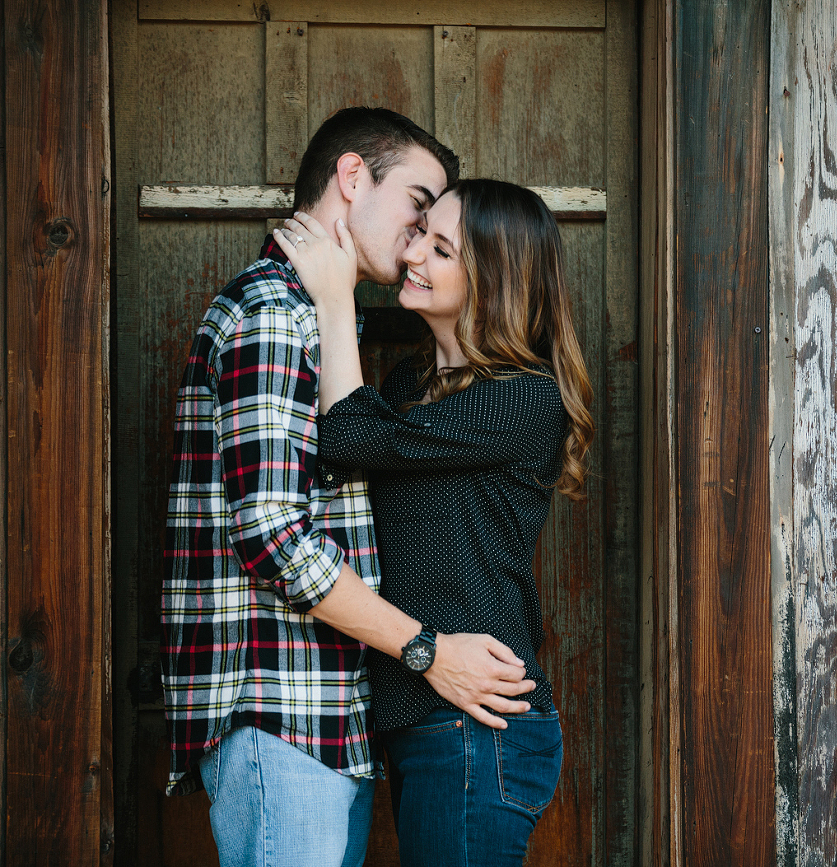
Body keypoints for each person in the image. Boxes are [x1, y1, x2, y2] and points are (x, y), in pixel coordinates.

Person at [163, 109, 536, 867]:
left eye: (439, 233)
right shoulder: (273, 313)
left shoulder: (320, 326)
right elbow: (274, 535)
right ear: (352, 177)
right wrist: (428, 649)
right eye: (417, 204)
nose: (416, 237)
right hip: (282, 709)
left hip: (327, 715)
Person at [272, 178, 594, 867]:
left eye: (440, 248)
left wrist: (333, 297)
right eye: (420, 233)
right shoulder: (407, 387)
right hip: (428, 716)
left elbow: (349, 437)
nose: (413, 253)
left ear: (491, 280)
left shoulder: (525, 399)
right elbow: (356, 433)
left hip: (477, 723)